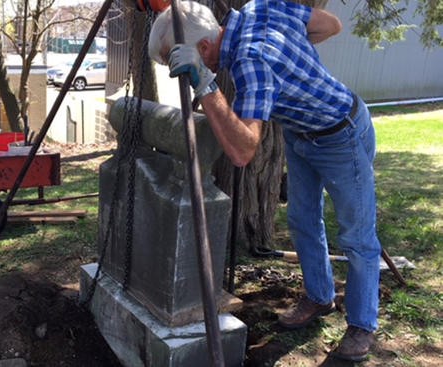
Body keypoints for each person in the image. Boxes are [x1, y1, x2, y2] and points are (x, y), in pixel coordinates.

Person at [148, 0, 381, 362]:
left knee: (357, 236)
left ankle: (363, 325)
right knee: (302, 220)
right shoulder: (262, 8)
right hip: (302, 134)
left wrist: (206, 85)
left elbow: (243, 151)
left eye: (182, 63)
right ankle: (320, 297)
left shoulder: (251, 63)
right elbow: (330, 25)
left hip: (341, 135)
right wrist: (291, 62)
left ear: (206, 48)